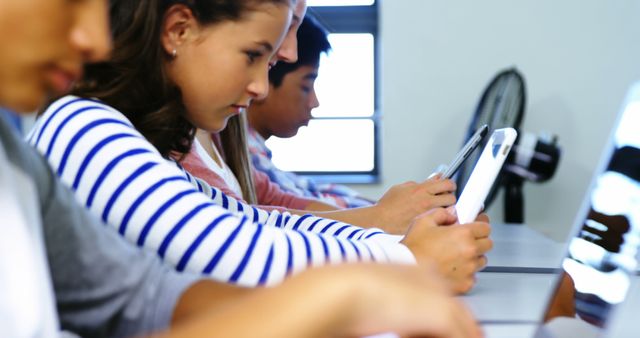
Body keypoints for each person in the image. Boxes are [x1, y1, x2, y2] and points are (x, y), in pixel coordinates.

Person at [0, 0, 486, 337]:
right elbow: (228, 253)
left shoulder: (18, 158)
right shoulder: (78, 123)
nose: (95, 40)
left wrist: (389, 259)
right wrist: (393, 267)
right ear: (177, 30)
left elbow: (236, 231)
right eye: (256, 54)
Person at [181, 16, 459, 233]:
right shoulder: (177, 144)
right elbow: (241, 229)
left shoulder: (218, 133)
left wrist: (382, 216)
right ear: (179, 32)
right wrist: (379, 219)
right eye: (253, 55)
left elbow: (270, 201)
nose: (288, 51)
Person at [245, 18, 374, 208]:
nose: (315, 102)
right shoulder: (244, 152)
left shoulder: (257, 155)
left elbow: (303, 189)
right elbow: (287, 203)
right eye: (306, 86)